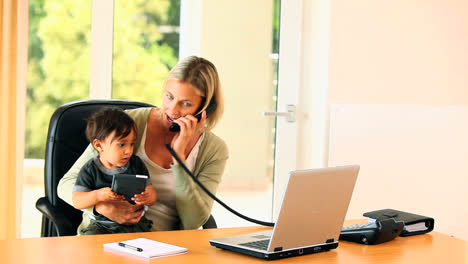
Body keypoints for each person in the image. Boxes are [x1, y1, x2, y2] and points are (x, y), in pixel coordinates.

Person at [58, 56, 228, 234]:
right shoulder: (127, 123)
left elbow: (193, 220)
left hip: (165, 247)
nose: (173, 109)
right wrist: (100, 206)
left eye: (186, 104)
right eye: (169, 97)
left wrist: (179, 159)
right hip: (106, 235)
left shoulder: (214, 150)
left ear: (205, 108)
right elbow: (66, 185)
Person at [72, 107, 156, 234]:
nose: (129, 150)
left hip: (135, 225)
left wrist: (147, 197)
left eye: (132, 144)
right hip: (101, 226)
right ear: (99, 145)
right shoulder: (90, 169)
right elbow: (77, 201)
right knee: (91, 244)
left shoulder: (136, 164)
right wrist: (98, 196)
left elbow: (151, 193)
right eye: (122, 144)